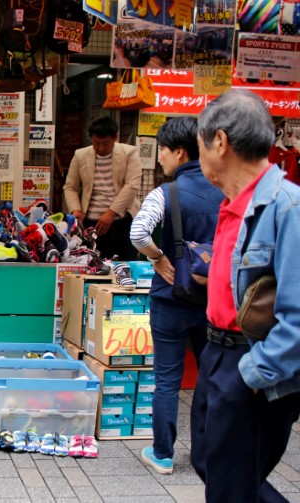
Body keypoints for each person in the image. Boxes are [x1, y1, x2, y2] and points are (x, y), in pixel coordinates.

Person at [190, 89, 300, 501]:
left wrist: (255, 374)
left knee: (230, 488)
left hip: (249, 360)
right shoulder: (234, 203)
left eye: (200, 145)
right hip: (217, 353)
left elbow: (298, 316)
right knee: (209, 462)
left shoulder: (287, 207)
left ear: (219, 142)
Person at [129, 117, 224, 475]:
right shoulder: (225, 189)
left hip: (171, 299)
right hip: (212, 300)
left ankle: (163, 454)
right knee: (211, 377)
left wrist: (158, 258)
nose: (160, 160)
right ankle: (205, 456)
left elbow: (139, 233)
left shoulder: (165, 193)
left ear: (179, 151)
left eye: (163, 152)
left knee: (167, 379)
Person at [64, 116, 142, 260]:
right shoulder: (80, 155)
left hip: (122, 222)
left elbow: (132, 185)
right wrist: (76, 210)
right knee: (92, 266)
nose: (101, 148)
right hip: (91, 224)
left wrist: (111, 213)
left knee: (126, 267)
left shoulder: (129, 153)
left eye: (106, 143)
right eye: (96, 143)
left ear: (116, 137)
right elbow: (70, 187)